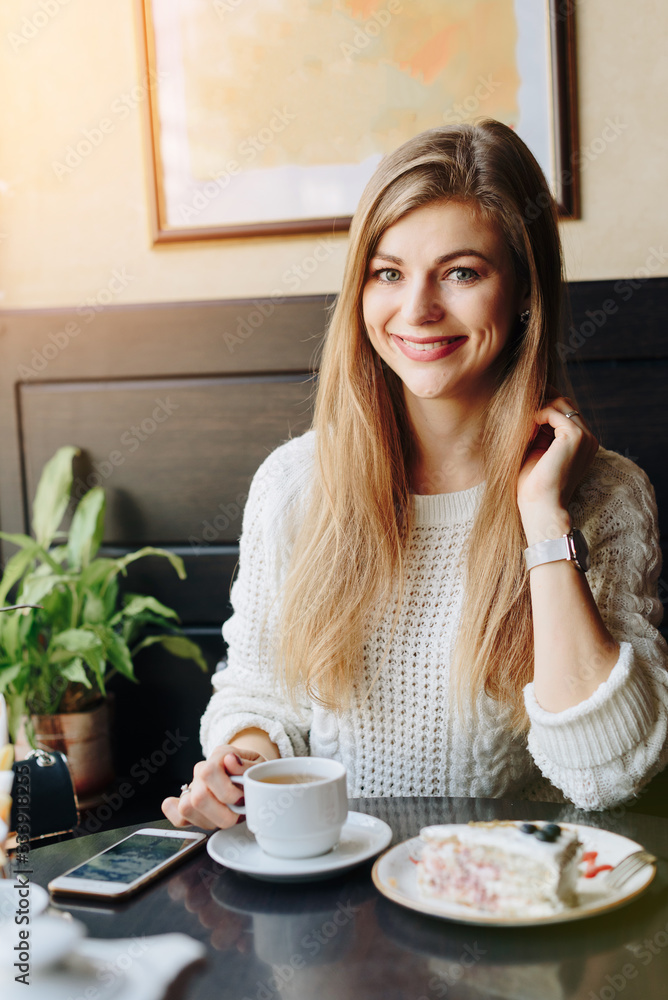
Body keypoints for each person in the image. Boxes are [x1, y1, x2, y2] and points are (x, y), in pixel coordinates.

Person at [163, 120, 668, 830]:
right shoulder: (293, 483)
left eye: (461, 272)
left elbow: (605, 773)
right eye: (389, 273)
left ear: (524, 289)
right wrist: (242, 764)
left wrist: (544, 518)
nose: (418, 309)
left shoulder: (607, 497)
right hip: (342, 900)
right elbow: (260, 696)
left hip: (512, 913)